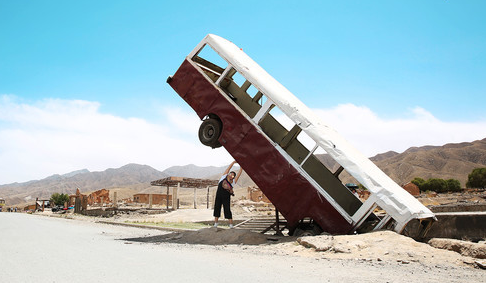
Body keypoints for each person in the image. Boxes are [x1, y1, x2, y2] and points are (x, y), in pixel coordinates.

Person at [213, 161, 242, 228]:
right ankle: (216, 223)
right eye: (230, 174)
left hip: (226, 197)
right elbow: (228, 169)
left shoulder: (233, 183)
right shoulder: (223, 177)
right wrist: (233, 162)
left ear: (233, 177)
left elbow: (239, 175)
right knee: (217, 208)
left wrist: (241, 168)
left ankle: (231, 225)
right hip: (219, 195)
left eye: (233, 175)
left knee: (227, 209)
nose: (231, 175)